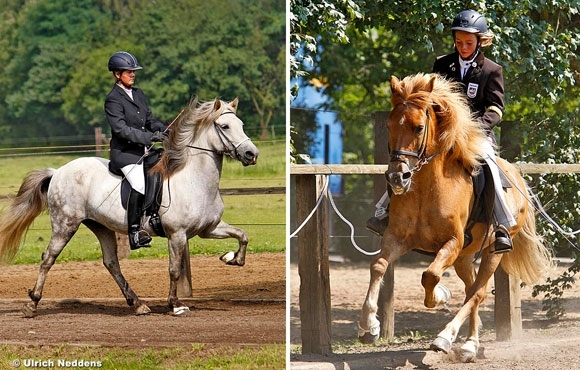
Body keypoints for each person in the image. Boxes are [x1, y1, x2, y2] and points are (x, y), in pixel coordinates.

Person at [366, 10, 515, 253]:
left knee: (489, 165)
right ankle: (384, 211)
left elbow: (496, 108)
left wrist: (477, 127)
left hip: (476, 134)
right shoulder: (442, 64)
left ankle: (501, 225)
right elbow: (430, 101)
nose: (463, 47)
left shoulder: (491, 70)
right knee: (405, 158)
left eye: (468, 42)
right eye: (459, 42)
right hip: (444, 133)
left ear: (480, 41)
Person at [104, 51, 168, 250]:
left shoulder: (138, 93)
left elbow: (149, 120)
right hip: (125, 154)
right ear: (117, 74)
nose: (133, 74)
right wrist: (150, 137)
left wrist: (166, 130)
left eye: (134, 71)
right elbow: (121, 130)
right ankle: (134, 232)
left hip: (142, 150)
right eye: (129, 71)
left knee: (163, 164)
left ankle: (155, 215)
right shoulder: (113, 99)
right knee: (139, 184)